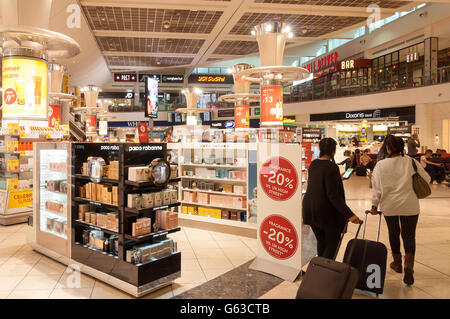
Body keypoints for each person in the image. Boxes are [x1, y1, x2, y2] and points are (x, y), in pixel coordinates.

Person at [370, 136, 430, 285]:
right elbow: (427, 179)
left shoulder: (381, 165)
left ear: (388, 148)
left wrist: (374, 205)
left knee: (393, 233)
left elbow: (377, 188)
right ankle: (408, 265)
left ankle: (397, 263)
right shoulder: (411, 161)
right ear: (402, 147)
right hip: (410, 205)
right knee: (409, 236)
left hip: (389, 206)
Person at [303, 138, 361, 260]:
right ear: (333, 150)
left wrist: (337, 179)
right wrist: (349, 214)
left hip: (311, 209)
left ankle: (319, 269)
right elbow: (332, 195)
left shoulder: (313, 164)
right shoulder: (331, 167)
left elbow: (320, 183)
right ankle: (325, 271)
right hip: (325, 211)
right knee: (332, 242)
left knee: (321, 241)